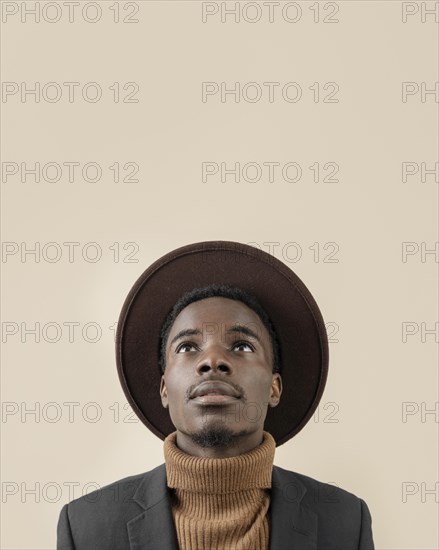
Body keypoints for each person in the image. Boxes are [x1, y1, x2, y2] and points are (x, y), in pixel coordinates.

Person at [57, 240, 375, 550]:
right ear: (164, 388)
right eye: (187, 347)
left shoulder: (345, 522)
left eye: (241, 346)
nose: (212, 361)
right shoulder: (87, 527)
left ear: (274, 387)